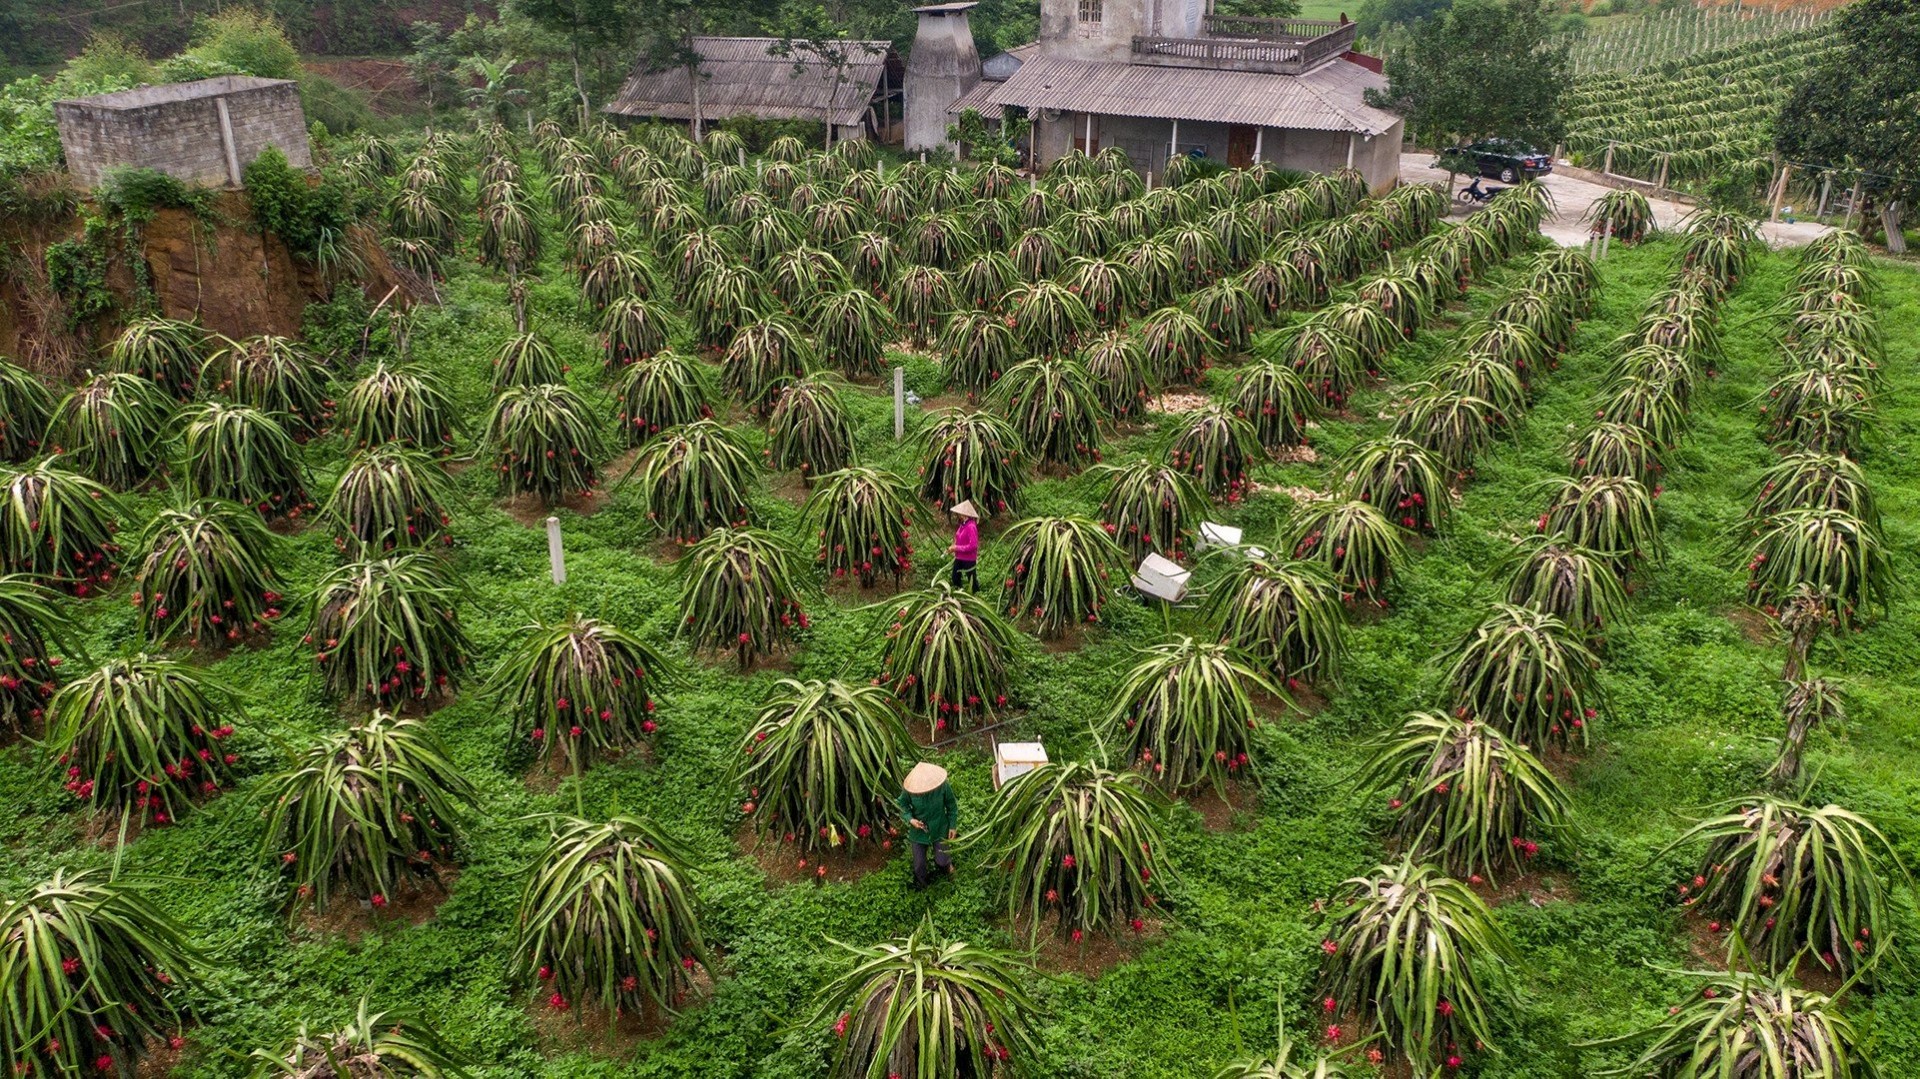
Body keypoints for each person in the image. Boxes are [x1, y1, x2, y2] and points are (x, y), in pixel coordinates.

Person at [897, 761, 958, 889]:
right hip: (919, 831)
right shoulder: (910, 790)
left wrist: (952, 825)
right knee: (919, 866)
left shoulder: (943, 786)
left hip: (939, 827)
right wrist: (911, 819)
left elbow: (951, 805)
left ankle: (947, 865)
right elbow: (902, 805)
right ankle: (923, 884)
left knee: (942, 861)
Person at [949, 500, 980, 592]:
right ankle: (959, 594)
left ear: (964, 514)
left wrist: (956, 548)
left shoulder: (971, 526)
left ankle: (977, 597)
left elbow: (973, 545)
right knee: (955, 578)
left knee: (972, 581)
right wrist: (954, 545)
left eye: (960, 513)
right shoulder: (963, 524)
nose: (958, 515)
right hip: (959, 557)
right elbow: (959, 537)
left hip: (969, 559)